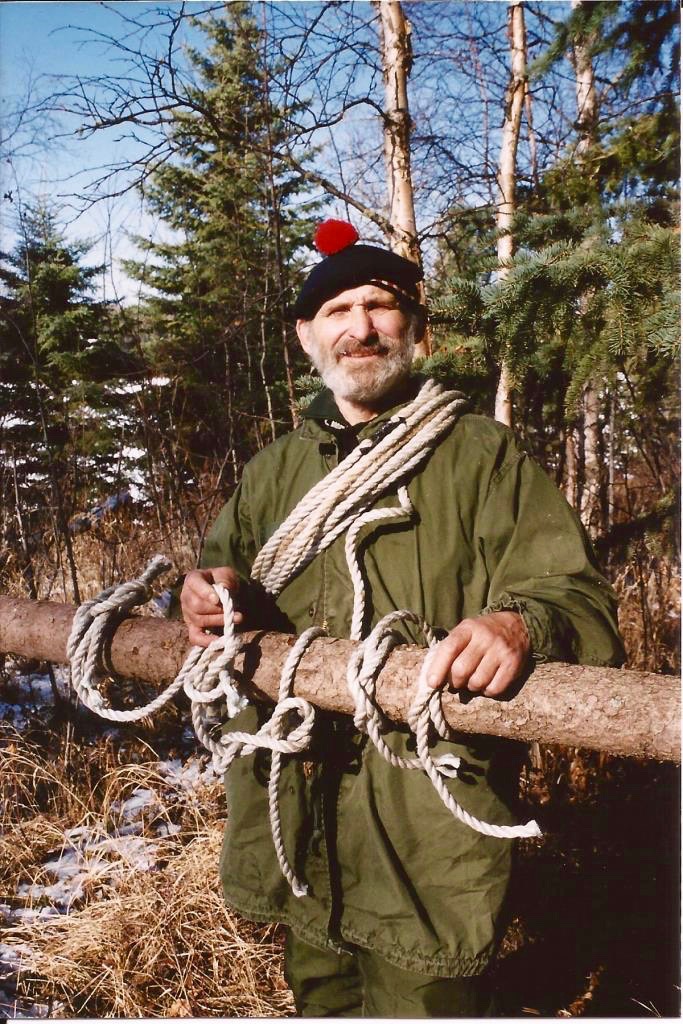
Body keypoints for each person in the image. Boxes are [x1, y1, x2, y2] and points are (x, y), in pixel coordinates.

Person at [180, 220, 624, 1017]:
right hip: (298, 803)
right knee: (318, 994)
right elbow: (224, 572)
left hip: (423, 823)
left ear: (415, 328)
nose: (360, 327)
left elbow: (578, 600)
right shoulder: (276, 468)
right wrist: (208, 592)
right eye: (338, 309)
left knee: (424, 998)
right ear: (306, 335)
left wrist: (517, 625)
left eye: (380, 305)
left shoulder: (481, 456)